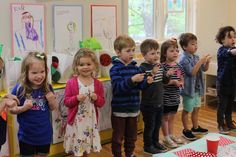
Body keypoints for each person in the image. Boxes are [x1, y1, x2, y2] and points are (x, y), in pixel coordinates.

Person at [110, 35, 153, 157]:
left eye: (133, 50)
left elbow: (140, 87)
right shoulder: (114, 69)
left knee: (132, 136)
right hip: (119, 110)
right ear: (118, 52)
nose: (131, 53)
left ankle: (130, 154)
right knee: (118, 137)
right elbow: (118, 88)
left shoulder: (136, 68)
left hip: (133, 109)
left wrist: (146, 83)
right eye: (128, 50)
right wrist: (132, 80)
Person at [11, 52, 58, 157]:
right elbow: (12, 110)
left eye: (42, 71)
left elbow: (53, 108)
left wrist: (51, 101)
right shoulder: (20, 89)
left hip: (44, 136)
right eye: (34, 72)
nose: (39, 76)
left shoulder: (48, 87)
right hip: (26, 137)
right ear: (26, 73)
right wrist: (23, 108)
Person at [63, 48, 105, 157]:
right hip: (76, 123)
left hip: (90, 122)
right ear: (76, 66)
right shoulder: (71, 83)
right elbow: (67, 102)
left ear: (94, 65)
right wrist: (76, 98)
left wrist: (96, 98)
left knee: (86, 148)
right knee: (77, 148)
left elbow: (101, 103)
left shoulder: (98, 84)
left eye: (88, 64)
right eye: (81, 64)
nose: (85, 67)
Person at [139, 39, 170, 155]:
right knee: (150, 126)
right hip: (148, 104)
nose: (156, 55)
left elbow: (164, 81)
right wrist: (152, 73)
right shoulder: (142, 68)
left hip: (159, 102)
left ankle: (155, 142)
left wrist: (167, 75)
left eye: (157, 52)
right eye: (152, 53)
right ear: (144, 55)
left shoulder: (160, 66)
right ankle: (148, 146)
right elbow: (142, 86)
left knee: (157, 125)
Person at [179, 33, 211, 140]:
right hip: (189, 90)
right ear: (184, 47)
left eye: (196, 43)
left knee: (196, 108)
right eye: (193, 44)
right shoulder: (184, 59)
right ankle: (186, 130)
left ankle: (195, 127)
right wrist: (201, 61)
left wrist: (207, 62)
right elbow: (192, 72)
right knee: (187, 110)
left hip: (197, 88)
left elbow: (204, 69)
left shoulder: (196, 57)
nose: (196, 46)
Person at [160, 39, 185, 148]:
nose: (175, 53)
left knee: (172, 118)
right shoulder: (162, 67)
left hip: (175, 97)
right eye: (171, 51)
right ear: (165, 53)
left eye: (176, 50)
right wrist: (172, 82)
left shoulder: (178, 66)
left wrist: (181, 83)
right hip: (165, 97)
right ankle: (166, 138)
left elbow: (181, 77)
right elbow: (161, 82)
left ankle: (171, 135)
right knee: (165, 118)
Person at [215, 26, 236, 134]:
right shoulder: (222, 51)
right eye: (230, 37)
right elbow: (231, 52)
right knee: (222, 105)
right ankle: (220, 124)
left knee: (229, 105)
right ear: (222, 39)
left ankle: (229, 122)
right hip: (222, 83)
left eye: (234, 37)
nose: (233, 39)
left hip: (232, 83)